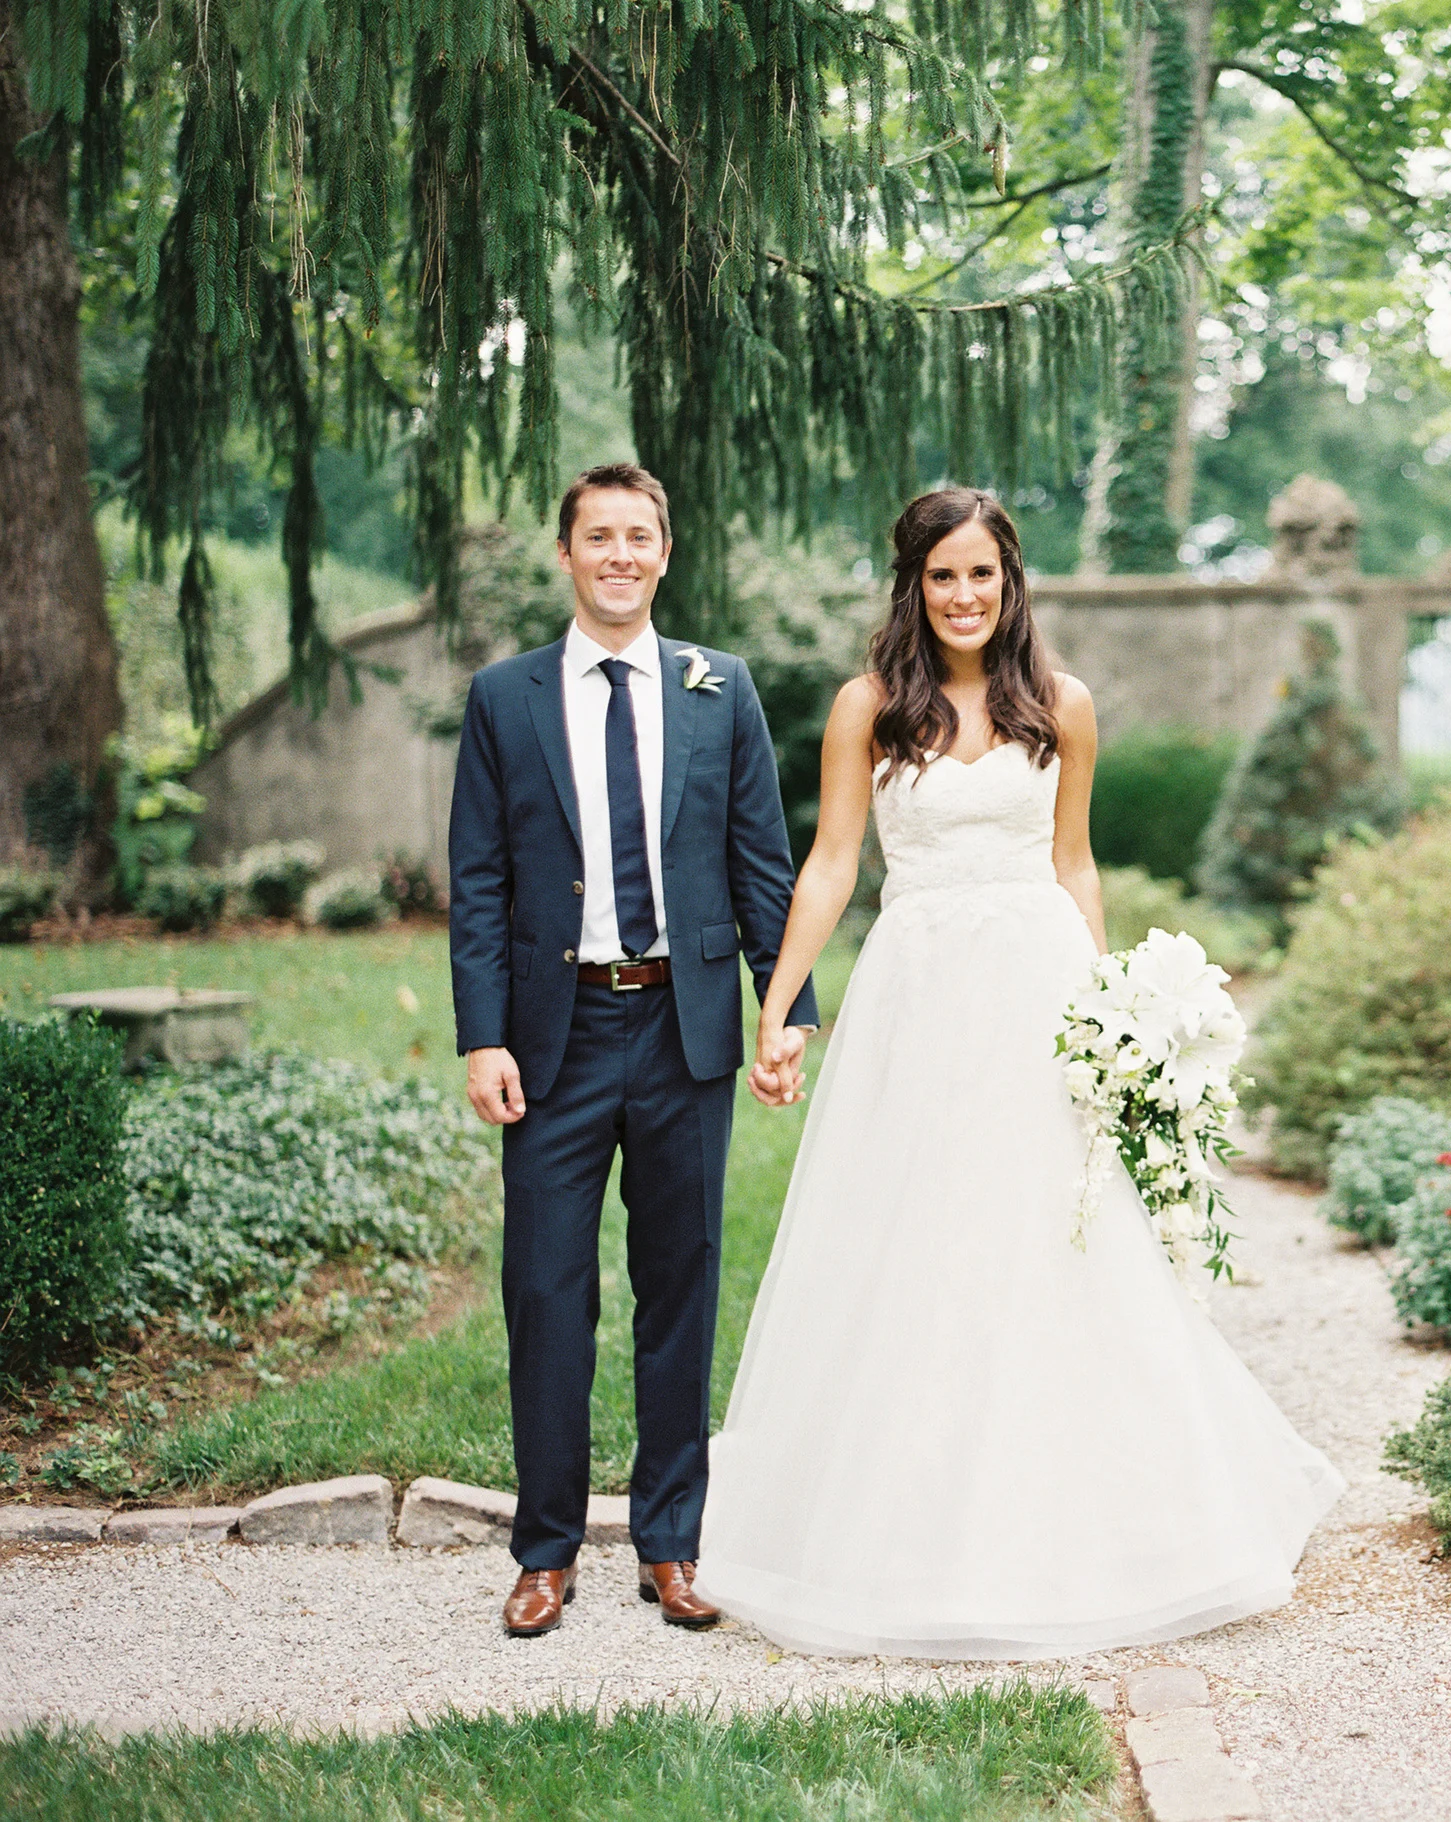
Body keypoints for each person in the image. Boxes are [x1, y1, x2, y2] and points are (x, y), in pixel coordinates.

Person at [697, 486, 1344, 1657]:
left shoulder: (1061, 704)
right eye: (941, 575)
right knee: (916, 1232)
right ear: (913, 583)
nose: (962, 596)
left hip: (1038, 990)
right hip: (917, 990)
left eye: (981, 574)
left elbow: (1075, 862)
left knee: (1054, 1232)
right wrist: (782, 1005)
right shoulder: (868, 708)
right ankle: (908, 1521)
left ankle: (1103, 1513)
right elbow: (834, 863)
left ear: (1011, 582)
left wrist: (1112, 1010)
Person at [447, 462, 818, 1637]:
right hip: (553, 1038)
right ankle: (545, 1548)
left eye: (638, 536)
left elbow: (763, 858)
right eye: (597, 536)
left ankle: (670, 1544)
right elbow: (478, 881)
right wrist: (481, 1036)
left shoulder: (722, 689)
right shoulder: (505, 698)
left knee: (681, 1285)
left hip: (682, 1029)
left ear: (666, 552)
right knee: (546, 1288)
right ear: (567, 554)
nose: (618, 554)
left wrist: (786, 1009)